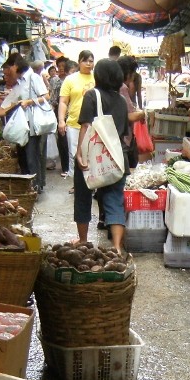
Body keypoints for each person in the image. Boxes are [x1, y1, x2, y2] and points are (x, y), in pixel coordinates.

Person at [74, 59, 130, 254]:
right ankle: (116, 246)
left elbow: (86, 126)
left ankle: (83, 240)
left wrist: (80, 153)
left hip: (93, 156)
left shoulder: (92, 95)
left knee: (83, 196)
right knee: (114, 200)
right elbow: (124, 133)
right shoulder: (122, 101)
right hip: (116, 158)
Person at [2, 52, 50, 192]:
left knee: (31, 157)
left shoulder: (33, 77)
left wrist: (29, 102)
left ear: (15, 66)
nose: (8, 72)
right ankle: (29, 187)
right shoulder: (21, 81)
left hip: (33, 125)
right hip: (24, 125)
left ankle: (34, 187)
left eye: (9, 68)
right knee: (24, 157)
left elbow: (46, 95)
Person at [58, 50, 96, 181]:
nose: (88, 64)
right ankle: (76, 183)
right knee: (74, 154)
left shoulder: (97, 78)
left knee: (92, 154)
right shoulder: (70, 79)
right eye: (85, 60)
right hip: (74, 123)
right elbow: (63, 102)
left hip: (94, 124)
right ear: (79, 62)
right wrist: (61, 121)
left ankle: (93, 183)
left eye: (91, 61)